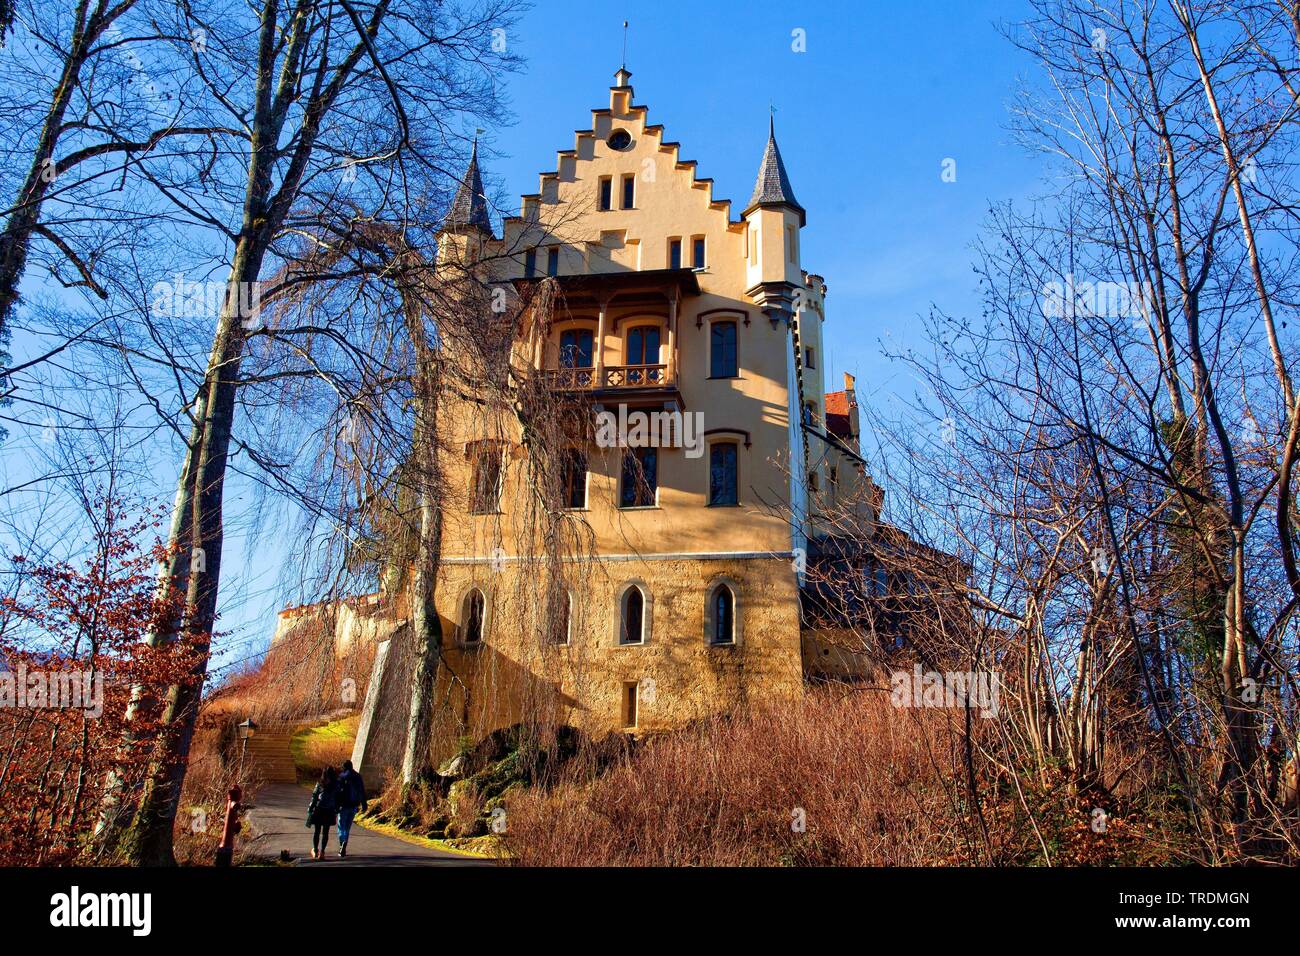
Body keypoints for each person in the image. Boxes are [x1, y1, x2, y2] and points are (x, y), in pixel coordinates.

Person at [335, 759, 368, 858]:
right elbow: (362, 790)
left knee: (341, 826)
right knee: (347, 827)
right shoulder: (358, 776)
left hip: (343, 805)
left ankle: (342, 844)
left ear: (344, 767)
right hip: (354, 805)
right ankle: (344, 844)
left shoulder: (341, 777)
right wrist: (364, 803)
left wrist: (335, 805)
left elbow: (337, 793)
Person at [306, 766, 339, 860]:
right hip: (329, 810)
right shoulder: (336, 784)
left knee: (317, 831)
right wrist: (336, 809)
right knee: (325, 832)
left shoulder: (320, 783)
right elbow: (338, 798)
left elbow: (314, 796)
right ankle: (323, 852)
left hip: (319, 809)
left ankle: (316, 851)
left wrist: (310, 808)